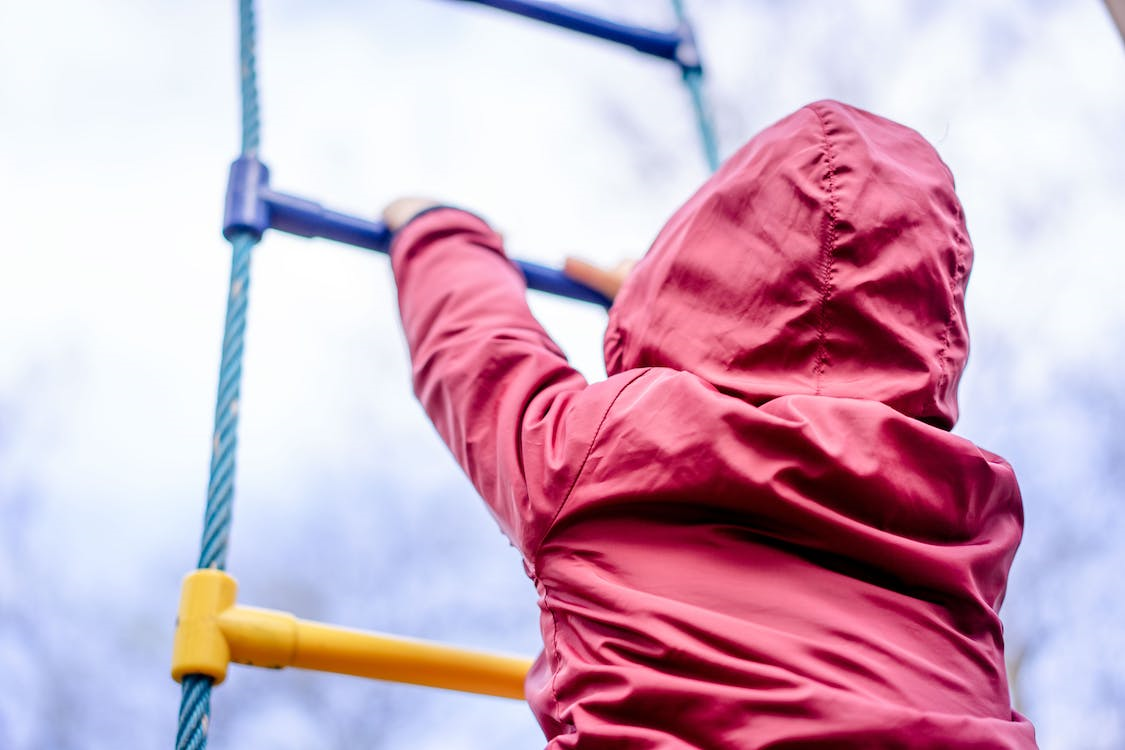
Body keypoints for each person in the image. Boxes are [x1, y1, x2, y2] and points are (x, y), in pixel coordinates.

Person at [381, 100, 1038, 749]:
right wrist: (661, 313)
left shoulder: (603, 452)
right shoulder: (960, 515)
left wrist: (434, 230)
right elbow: (826, 332)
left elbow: (482, 354)